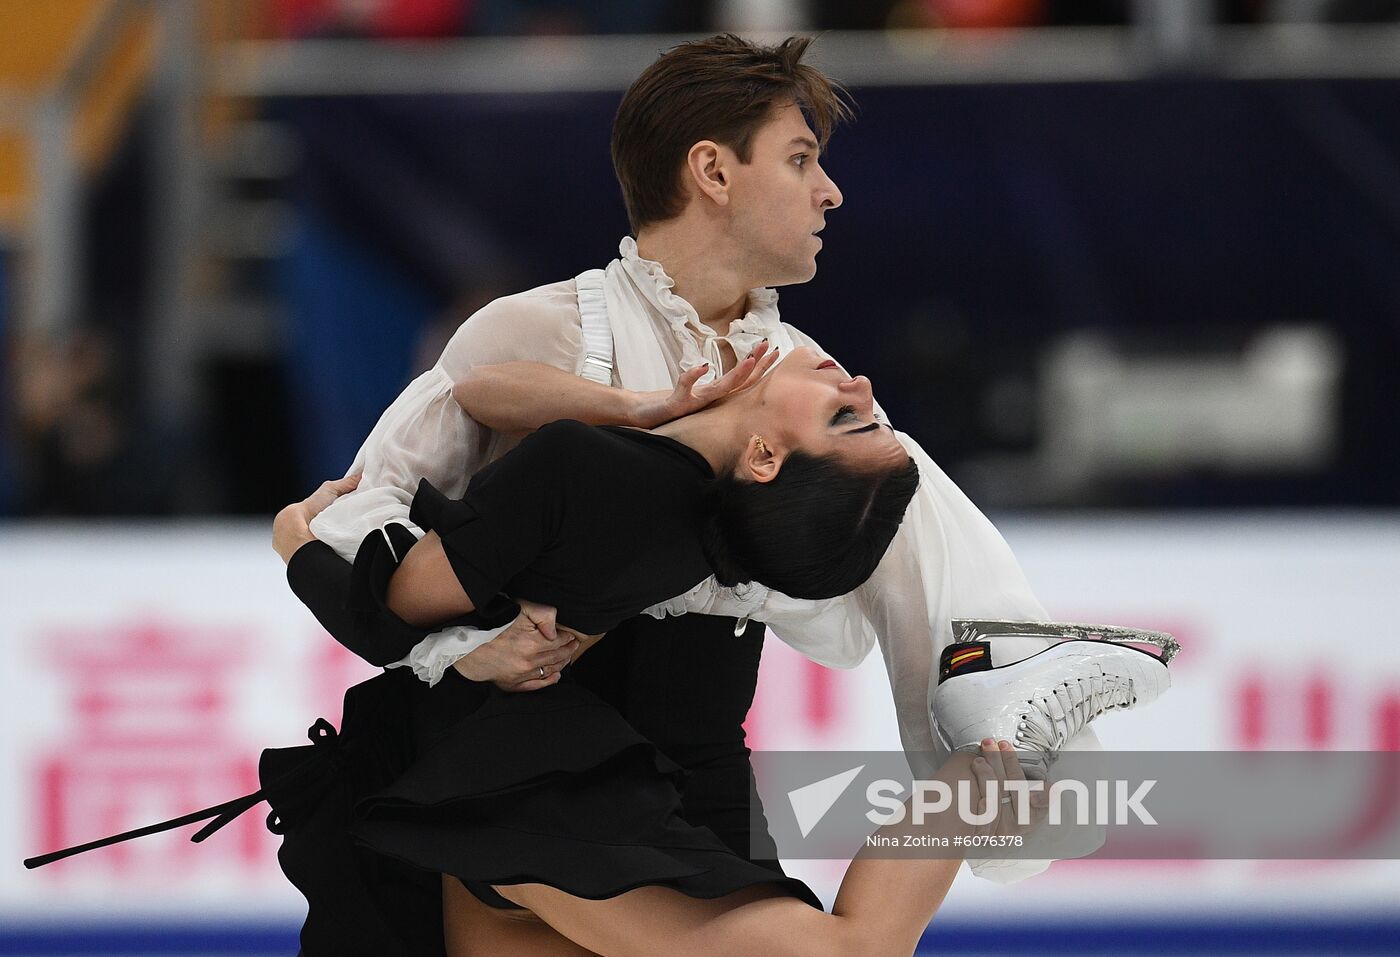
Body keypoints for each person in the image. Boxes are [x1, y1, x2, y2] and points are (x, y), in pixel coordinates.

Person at [298, 31, 1168, 900]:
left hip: (703, 762)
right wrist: (463, 649)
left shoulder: (803, 374)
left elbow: (897, 578)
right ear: (713, 172)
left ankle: (993, 689)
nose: (830, 191)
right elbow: (357, 520)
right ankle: (995, 675)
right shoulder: (542, 334)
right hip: (533, 761)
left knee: (885, 459)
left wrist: (989, 788)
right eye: (800, 160)